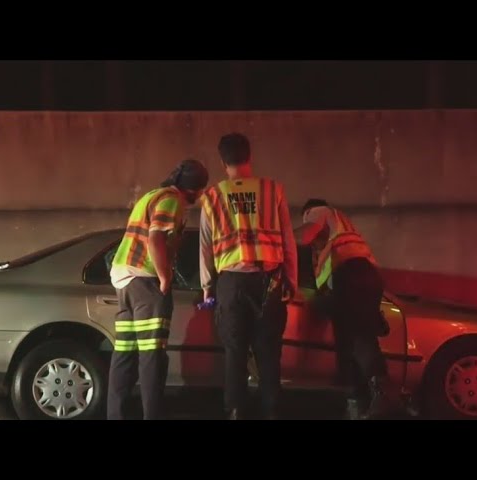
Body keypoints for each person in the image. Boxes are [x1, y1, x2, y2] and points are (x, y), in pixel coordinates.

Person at [199, 132, 297, 420]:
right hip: (269, 280)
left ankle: (237, 411)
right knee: (268, 352)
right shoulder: (272, 190)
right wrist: (291, 279)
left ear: (222, 162)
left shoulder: (213, 196)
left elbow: (205, 245)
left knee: (235, 352)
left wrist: (208, 287)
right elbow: (288, 240)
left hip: (231, 281)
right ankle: (272, 411)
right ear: (250, 156)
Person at [107, 158, 209, 420]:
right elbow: (156, 238)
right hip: (145, 278)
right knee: (152, 356)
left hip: (124, 278)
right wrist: (164, 277)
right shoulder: (171, 200)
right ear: (194, 189)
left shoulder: (151, 195)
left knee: (125, 355)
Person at [294, 198, 391, 420]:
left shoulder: (319, 211)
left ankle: (380, 392)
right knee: (350, 335)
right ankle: (361, 399)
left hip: (352, 276)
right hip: (365, 277)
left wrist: (276, 239)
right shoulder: (340, 231)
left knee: (358, 334)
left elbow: (305, 235)